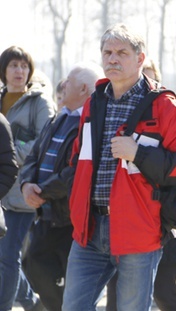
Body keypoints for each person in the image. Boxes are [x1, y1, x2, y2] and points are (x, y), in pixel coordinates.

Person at [61, 23, 176, 310]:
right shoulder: (94, 102)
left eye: (122, 53)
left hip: (138, 230)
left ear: (140, 59)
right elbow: (78, 158)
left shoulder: (164, 105)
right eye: (107, 52)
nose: (112, 59)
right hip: (89, 228)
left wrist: (138, 154)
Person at [19, 62, 102, 311]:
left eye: (69, 81)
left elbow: (76, 172)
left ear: (84, 89)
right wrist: (26, 185)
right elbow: (34, 156)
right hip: (45, 214)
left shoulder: (90, 123)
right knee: (33, 263)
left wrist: (42, 192)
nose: (63, 85)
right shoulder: (59, 116)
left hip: (71, 219)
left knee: (76, 285)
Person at [0, 45, 55, 311]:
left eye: (24, 66)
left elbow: (46, 141)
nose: (19, 71)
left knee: (8, 255)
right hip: (1, 189)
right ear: (4, 71)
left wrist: (9, 153)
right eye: (13, 65)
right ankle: (33, 303)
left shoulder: (40, 101)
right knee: (4, 256)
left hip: (23, 191)